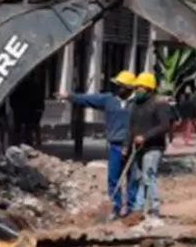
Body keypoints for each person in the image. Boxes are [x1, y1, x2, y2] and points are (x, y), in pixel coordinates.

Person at [62, 70, 136, 221]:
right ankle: (115, 206)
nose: (118, 88)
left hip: (133, 145)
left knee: (132, 177)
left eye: (121, 86)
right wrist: (70, 96)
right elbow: (88, 99)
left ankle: (131, 207)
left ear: (129, 88)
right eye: (117, 85)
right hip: (115, 144)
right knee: (113, 177)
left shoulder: (136, 103)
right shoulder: (109, 100)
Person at [126, 71, 173, 226]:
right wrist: (127, 145)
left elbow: (164, 125)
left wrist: (145, 137)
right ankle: (138, 208)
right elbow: (131, 127)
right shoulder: (135, 105)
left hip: (153, 147)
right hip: (139, 147)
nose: (137, 90)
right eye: (137, 87)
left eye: (140, 87)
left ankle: (154, 209)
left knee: (148, 176)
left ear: (148, 88)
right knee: (139, 178)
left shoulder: (160, 104)